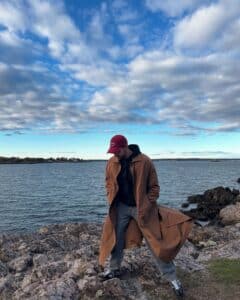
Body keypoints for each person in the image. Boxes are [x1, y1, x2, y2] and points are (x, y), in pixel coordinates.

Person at [99, 135, 192, 297]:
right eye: (112, 151)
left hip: (141, 208)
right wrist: (110, 195)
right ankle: (113, 269)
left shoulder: (145, 161)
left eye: (117, 150)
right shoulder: (111, 162)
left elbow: (154, 188)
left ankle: (172, 279)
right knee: (116, 238)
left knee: (155, 242)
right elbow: (108, 181)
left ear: (125, 147)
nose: (114, 154)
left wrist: (146, 205)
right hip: (120, 207)